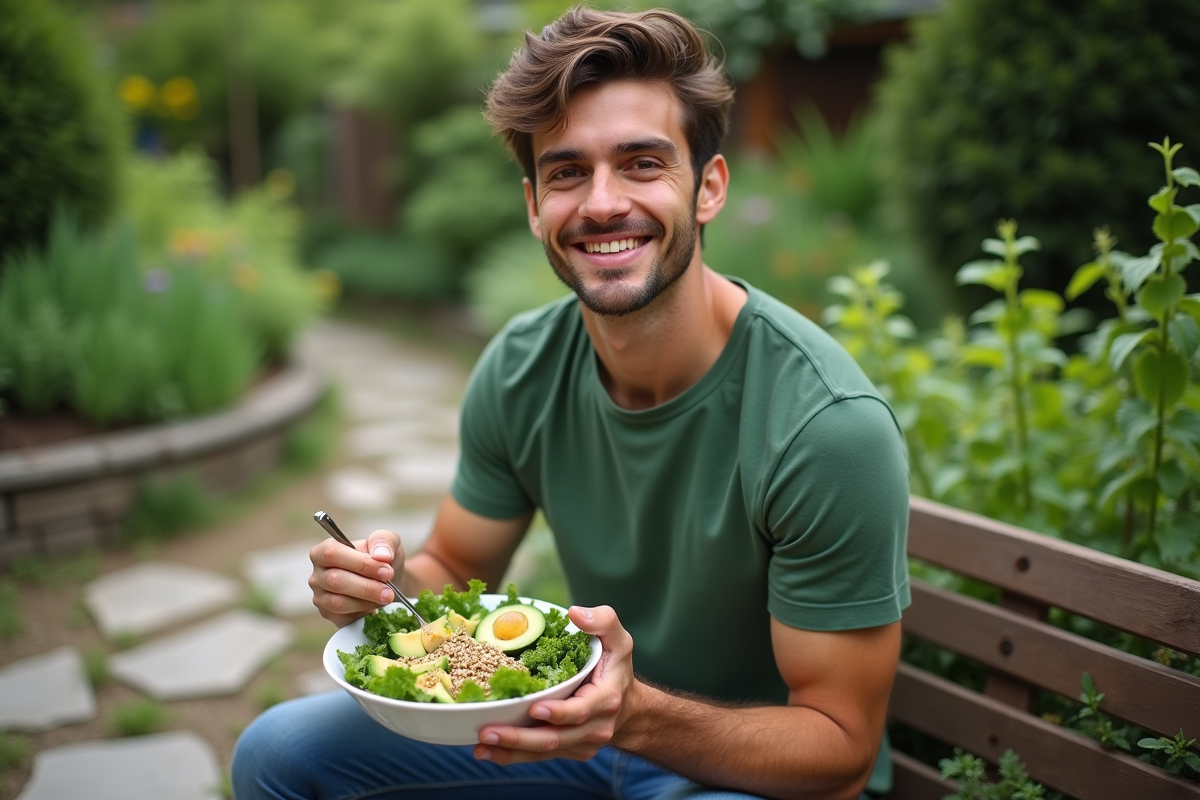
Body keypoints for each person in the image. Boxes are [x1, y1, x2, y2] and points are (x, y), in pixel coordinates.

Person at [231, 7, 910, 800]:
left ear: (709, 188)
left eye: (643, 164)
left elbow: (839, 750)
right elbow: (458, 568)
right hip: (577, 730)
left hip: (744, 768)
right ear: (533, 206)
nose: (602, 203)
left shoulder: (825, 428)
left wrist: (633, 716)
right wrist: (386, 584)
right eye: (566, 173)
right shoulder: (522, 367)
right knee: (276, 753)